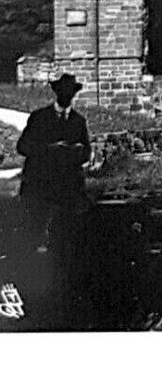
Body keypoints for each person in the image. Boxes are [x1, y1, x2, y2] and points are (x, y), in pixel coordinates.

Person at [17, 73, 91, 254]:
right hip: (40, 180)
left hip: (66, 183)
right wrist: (51, 149)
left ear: (74, 95)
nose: (67, 96)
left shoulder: (78, 121)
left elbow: (86, 153)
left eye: (70, 93)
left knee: (68, 228)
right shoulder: (39, 117)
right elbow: (23, 147)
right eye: (63, 92)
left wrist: (73, 152)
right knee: (35, 227)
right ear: (57, 93)